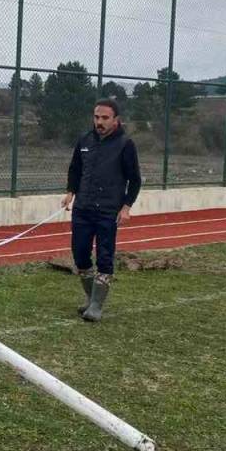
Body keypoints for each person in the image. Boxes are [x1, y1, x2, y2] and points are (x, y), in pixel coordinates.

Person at [60, 98, 142, 322]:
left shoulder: (125, 144)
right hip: (82, 208)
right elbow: (75, 169)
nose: (100, 122)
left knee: (105, 256)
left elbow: (134, 180)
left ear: (116, 120)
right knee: (80, 254)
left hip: (108, 210)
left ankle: (96, 305)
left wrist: (126, 206)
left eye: (105, 118)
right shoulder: (85, 140)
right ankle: (90, 298)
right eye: (97, 117)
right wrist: (70, 192)